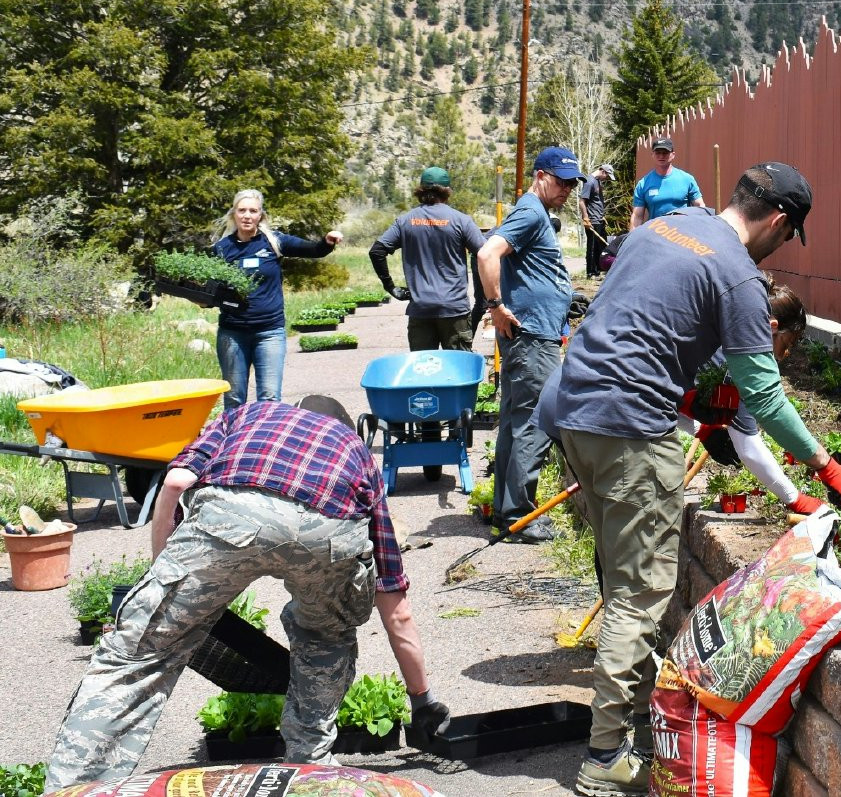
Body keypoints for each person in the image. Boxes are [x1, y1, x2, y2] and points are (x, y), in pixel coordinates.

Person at [536, 162, 841, 797]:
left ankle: (628, 715)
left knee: (620, 574)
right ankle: (605, 760)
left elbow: (633, 324)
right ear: (778, 221)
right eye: (788, 235)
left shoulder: (666, 226)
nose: (780, 248)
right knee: (641, 593)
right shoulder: (739, 276)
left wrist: (693, 406)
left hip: (574, 408)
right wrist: (826, 466)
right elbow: (763, 399)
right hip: (631, 424)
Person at [43, 402, 450, 791]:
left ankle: (77, 788)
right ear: (342, 426)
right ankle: (310, 764)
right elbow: (395, 604)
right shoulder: (357, 454)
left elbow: (176, 481)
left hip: (231, 514)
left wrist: (164, 578)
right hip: (330, 532)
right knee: (326, 638)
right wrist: (421, 698)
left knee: (138, 654)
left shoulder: (250, 414)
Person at [477, 146, 583, 543]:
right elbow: (488, 252)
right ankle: (520, 515)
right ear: (540, 175)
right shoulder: (529, 211)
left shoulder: (535, 213)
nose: (567, 190)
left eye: (572, 183)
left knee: (516, 422)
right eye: (561, 181)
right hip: (532, 337)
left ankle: (508, 511)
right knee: (534, 423)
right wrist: (496, 306)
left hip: (534, 334)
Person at [685, 278, 829, 515]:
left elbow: (667, 398)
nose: (786, 353)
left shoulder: (720, 334)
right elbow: (748, 447)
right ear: (771, 328)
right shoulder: (735, 364)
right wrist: (795, 499)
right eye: (787, 341)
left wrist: (702, 428)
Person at [210, 189, 343, 409]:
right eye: (242, 210)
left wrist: (327, 242)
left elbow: (312, 250)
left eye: (253, 211)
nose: (247, 216)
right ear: (233, 214)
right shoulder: (222, 249)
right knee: (234, 398)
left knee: (270, 398)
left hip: (269, 332)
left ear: (260, 215)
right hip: (233, 333)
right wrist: (203, 300)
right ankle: (233, 442)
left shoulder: (273, 241)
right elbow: (210, 289)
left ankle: (264, 443)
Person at [369, 166, 487, 351]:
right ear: (448, 191)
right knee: (458, 373)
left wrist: (390, 287)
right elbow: (485, 255)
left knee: (422, 373)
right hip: (454, 310)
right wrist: (487, 297)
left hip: (420, 310)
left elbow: (377, 251)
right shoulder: (461, 220)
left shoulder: (405, 221)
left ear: (421, 190)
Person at [629, 137, 704, 228]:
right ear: (652, 154)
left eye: (665, 153)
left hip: (683, 235)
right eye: (658, 153)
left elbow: (700, 207)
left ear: (673, 154)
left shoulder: (687, 179)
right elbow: (637, 216)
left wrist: (703, 230)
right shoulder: (643, 184)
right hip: (655, 233)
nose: (661, 156)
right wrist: (633, 238)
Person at [578, 162, 615, 277]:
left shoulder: (598, 181)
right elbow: (582, 201)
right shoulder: (589, 182)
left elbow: (596, 201)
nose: (607, 179)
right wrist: (585, 218)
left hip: (599, 219)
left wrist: (602, 215)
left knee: (601, 246)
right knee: (592, 247)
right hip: (592, 220)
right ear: (603, 171)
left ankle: (599, 270)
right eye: (607, 176)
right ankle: (591, 272)